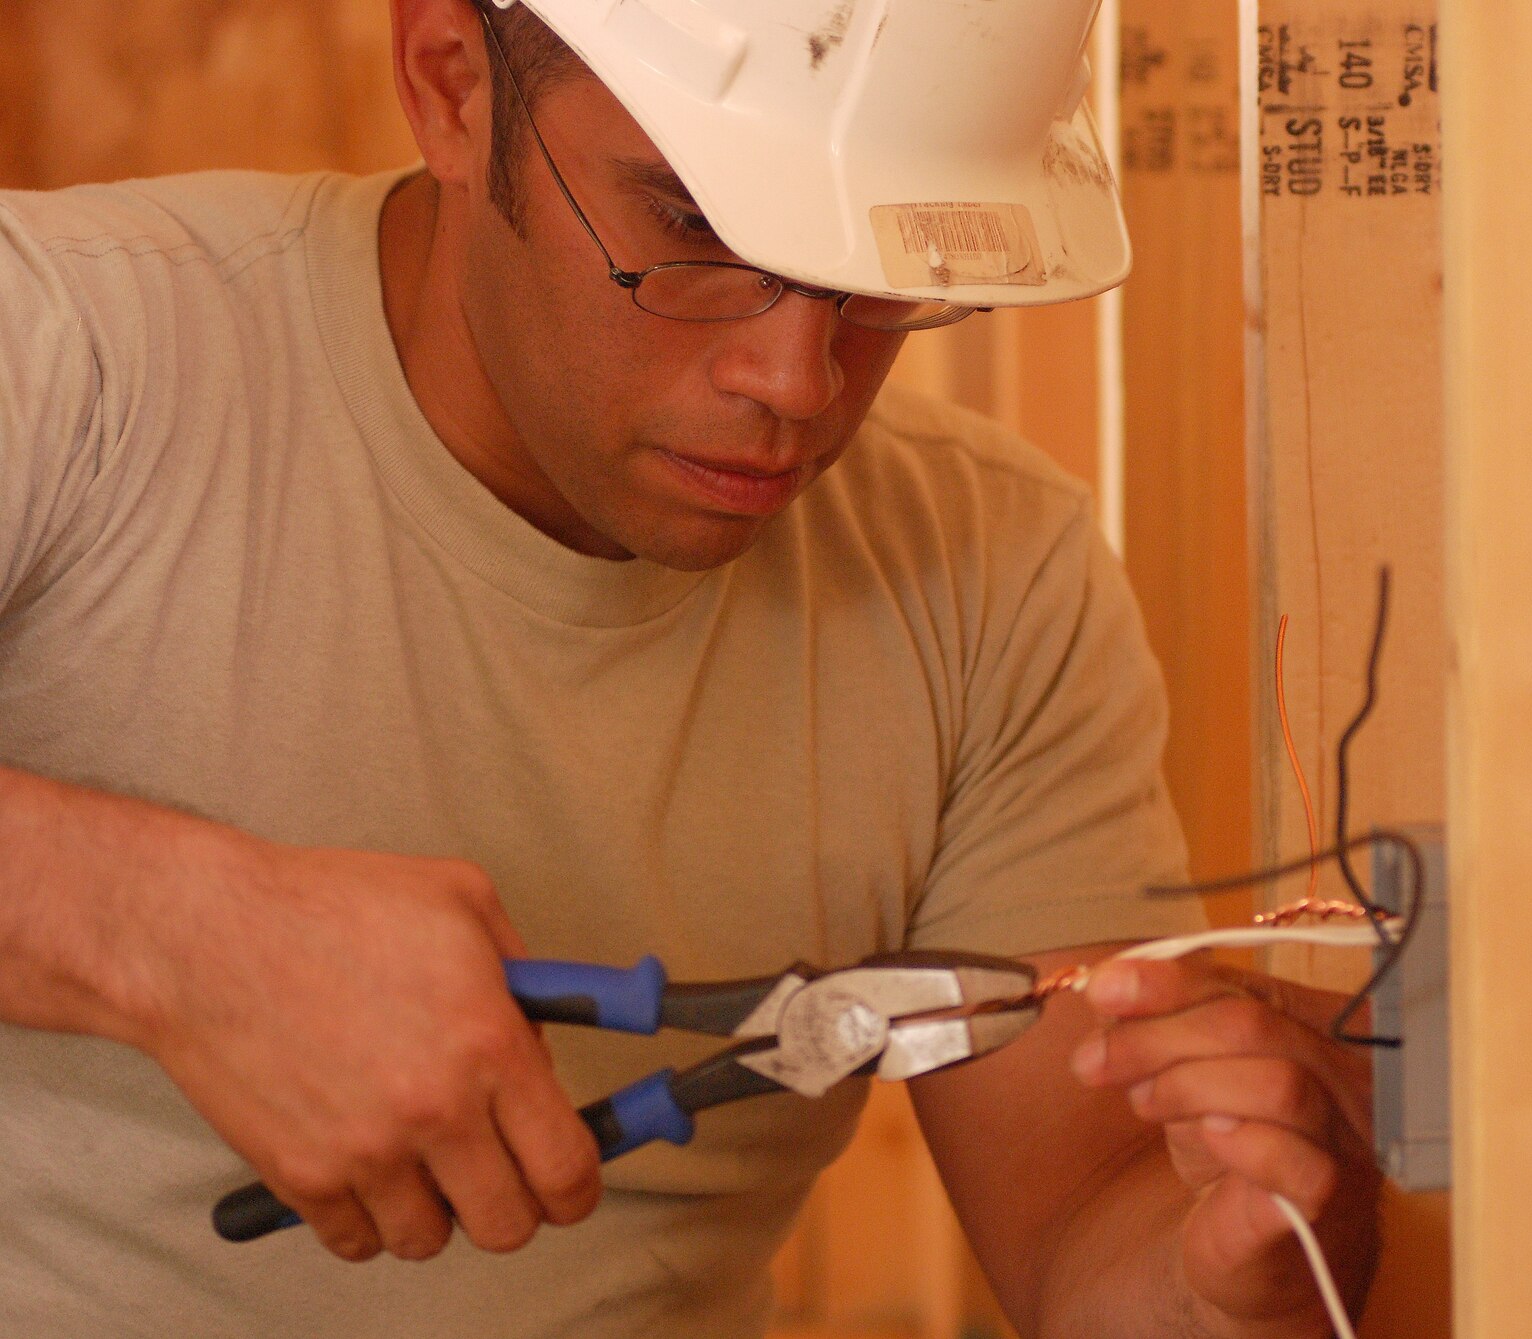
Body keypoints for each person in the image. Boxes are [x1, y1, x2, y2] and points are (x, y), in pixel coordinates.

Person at [0, 0, 1382, 1333]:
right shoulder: (68, 351)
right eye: (698, 230)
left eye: (883, 271)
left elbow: (1088, 1233)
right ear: (451, 83)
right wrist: (168, 934)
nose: (796, 379)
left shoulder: (985, 576)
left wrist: (1234, 1276)